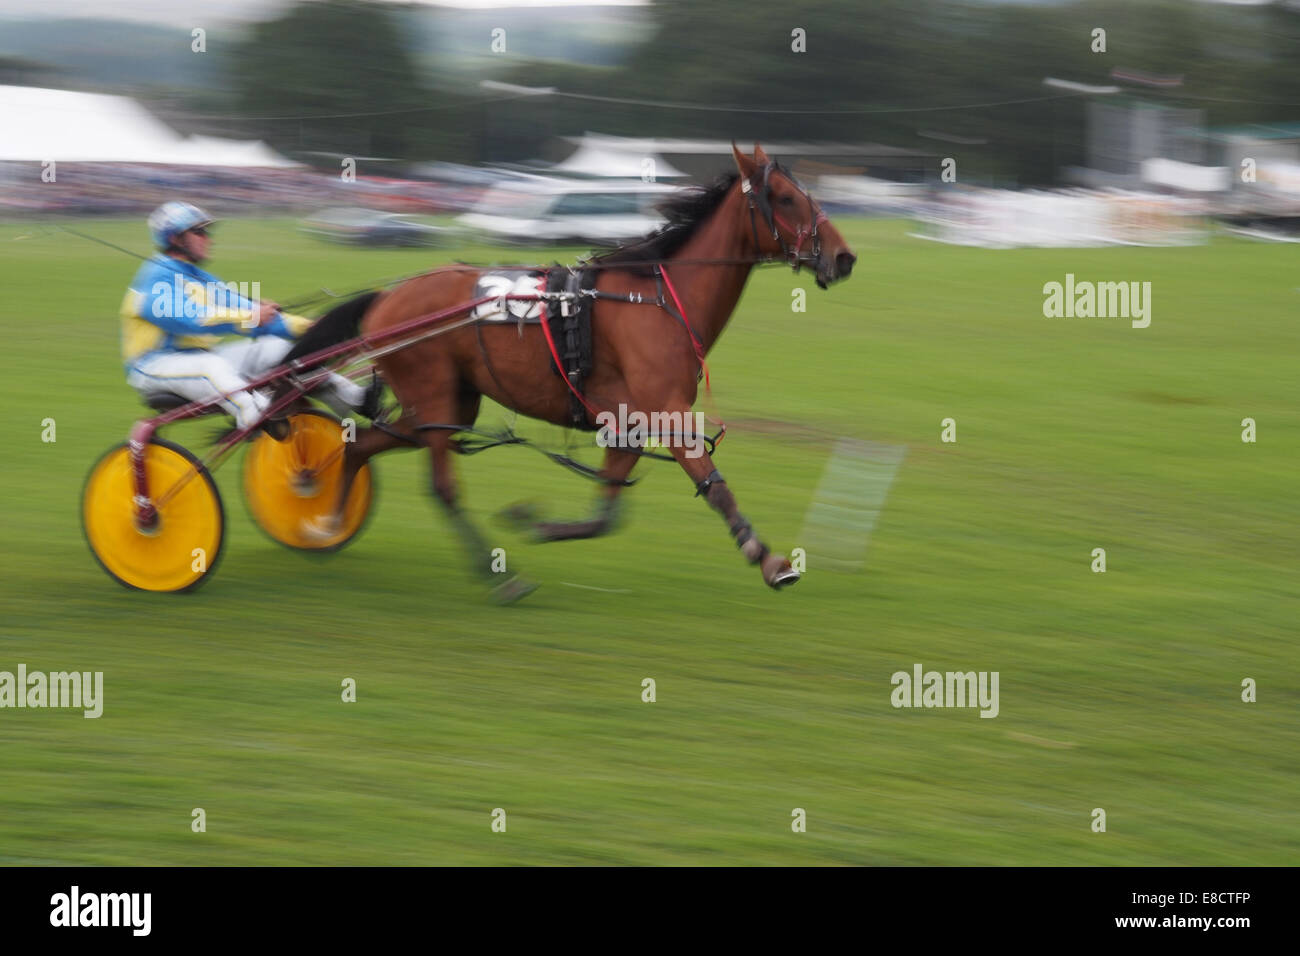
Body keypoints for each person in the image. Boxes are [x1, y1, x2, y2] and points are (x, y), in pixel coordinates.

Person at [120, 201, 377, 437]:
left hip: (199, 356)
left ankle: (356, 398)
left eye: (207, 232)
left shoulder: (201, 278)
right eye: (199, 232)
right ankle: (251, 415)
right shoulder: (155, 278)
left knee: (280, 350)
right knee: (211, 367)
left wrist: (309, 329)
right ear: (175, 238)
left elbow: (253, 314)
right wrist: (252, 316)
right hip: (153, 366)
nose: (208, 239)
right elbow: (191, 319)